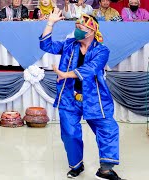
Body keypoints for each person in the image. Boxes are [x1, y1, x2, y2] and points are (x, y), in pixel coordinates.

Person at [40, 9, 122, 180]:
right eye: (76, 25)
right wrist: (50, 23)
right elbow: (46, 45)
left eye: (80, 26)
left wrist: (65, 74)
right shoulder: (70, 44)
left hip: (95, 98)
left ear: (91, 31)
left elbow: (91, 69)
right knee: (69, 133)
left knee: (108, 129)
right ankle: (76, 165)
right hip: (70, 96)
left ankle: (106, 170)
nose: (76, 29)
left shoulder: (102, 50)